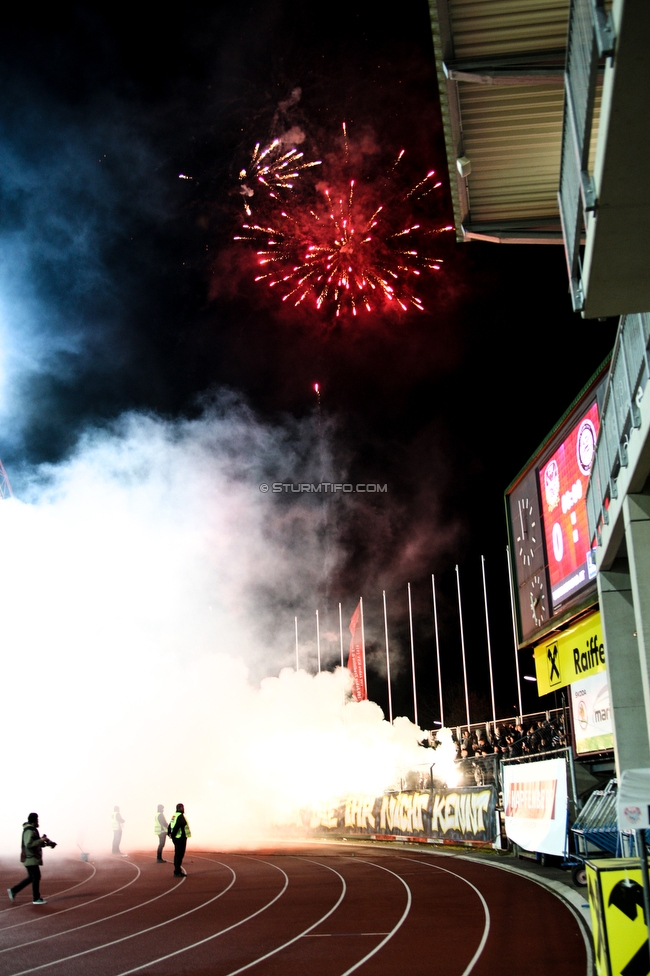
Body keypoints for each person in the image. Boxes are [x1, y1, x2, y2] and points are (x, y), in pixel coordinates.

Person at [7, 812, 56, 905]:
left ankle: (13, 891)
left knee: (32, 877)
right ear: (34, 820)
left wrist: (46, 843)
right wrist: (41, 840)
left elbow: (35, 843)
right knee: (36, 876)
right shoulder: (29, 830)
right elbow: (29, 844)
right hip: (30, 857)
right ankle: (36, 898)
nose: (38, 821)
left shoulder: (32, 830)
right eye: (37, 819)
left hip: (31, 857)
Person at [168, 803, 191, 877]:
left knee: (177, 854)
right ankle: (177, 871)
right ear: (181, 808)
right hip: (180, 838)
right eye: (183, 807)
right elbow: (178, 826)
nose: (183, 809)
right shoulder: (180, 816)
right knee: (179, 854)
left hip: (176, 838)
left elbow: (170, 825)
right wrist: (173, 835)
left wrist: (169, 834)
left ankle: (177, 870)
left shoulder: (174, 816)